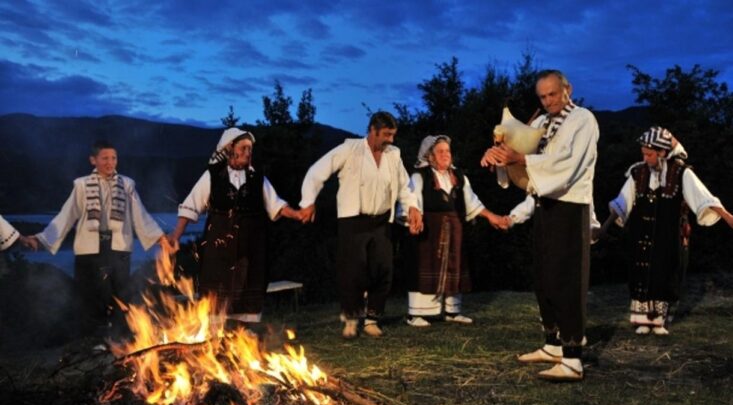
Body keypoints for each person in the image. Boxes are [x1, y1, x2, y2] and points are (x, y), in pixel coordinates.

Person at [481, 69, 598, 382]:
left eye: (553, 94)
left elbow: (567, 163)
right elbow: (519, 157)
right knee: (544, 276)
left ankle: (573, 358)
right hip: (544, 204)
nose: (548, 101)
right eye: (543, 96)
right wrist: (499, 155)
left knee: (567, 279)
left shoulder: (583, 120)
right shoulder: (540, 123)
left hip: (571, 205)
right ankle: (553, 344)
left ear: (567, 89)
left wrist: (521, 159)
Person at [599, 127, 733, 336]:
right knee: (641, 272)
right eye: (643, 154)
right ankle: (642, 321)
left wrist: (729, 218)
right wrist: (604, 226)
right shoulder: (638, 172)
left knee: (664, 271)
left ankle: (659, 321)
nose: (646, 158)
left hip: (668, 235)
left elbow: (704, 198)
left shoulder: (682, 172)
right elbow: (623, 201)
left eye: (650, 154)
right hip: (642, 233)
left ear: (663, 152)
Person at [297, 111, 423, 339]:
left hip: (382, 220)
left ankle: (373, 319)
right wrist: (308, 202)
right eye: (386, 134)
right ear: (372, 131)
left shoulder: (393, 155)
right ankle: (351, 319)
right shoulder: (350, 149)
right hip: (353, 220)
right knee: (352, 272)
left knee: (383, 269)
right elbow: (317, 172)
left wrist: (412, 207)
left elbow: (405, 187)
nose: (391, 140)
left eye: (393, 135)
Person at [168, 128, 301, 328]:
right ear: (230, 148)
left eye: (250, 149)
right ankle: (213, 340)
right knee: (216, 289)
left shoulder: (258, 178)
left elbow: (277, 205)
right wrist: (176, 235)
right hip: (219, 244)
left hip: (252, 246)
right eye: (244, 148)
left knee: (249, 285)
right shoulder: (212, 176)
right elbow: (190, 206)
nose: (249, 152)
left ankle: (244, 338)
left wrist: (297, 214)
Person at [29, 140, 166, 334]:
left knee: (120, 294)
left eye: (114, 158)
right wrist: (42, 239)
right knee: (90, 295)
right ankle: (92, 342)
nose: (110, 162)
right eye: (105, 158)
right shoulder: (82, 185)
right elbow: (67, 215)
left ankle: (118, 340)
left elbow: (140, 214)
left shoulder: (126, 185)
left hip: (118, 248)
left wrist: (161, 239)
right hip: (90, 248)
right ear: (93, 160)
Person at [403, 135, 509, 327]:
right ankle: (416, 314)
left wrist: (492, 217)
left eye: (448, 151)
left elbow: (472, 202)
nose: (445, 155)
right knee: (426, 266)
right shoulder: (420, 176)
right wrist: (414, 214)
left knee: (455, 266)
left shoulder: (458, 176)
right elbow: (410, 197)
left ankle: (452, 311)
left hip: (455, 227)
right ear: (430, 156)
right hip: (429, 230)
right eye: (440, 151)